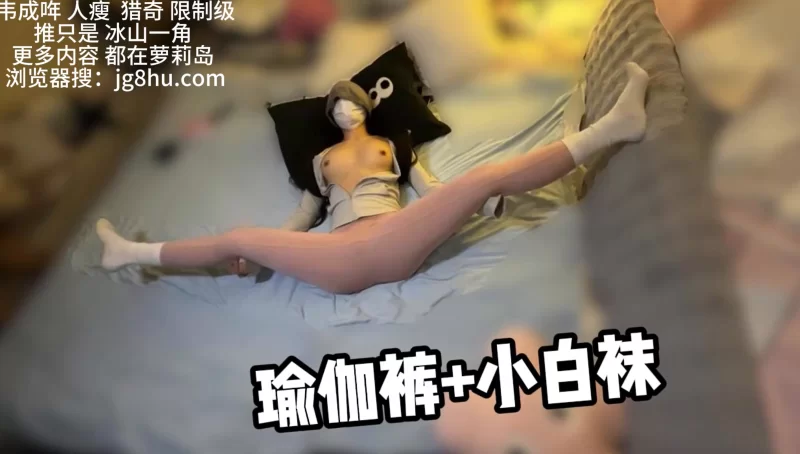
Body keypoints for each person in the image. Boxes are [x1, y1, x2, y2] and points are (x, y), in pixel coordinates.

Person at [95, 62, 649, 295]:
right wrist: (270, 254)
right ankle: (129, 253)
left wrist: (472, 203)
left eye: (351, 101)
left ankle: (611, 127)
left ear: (365, 106)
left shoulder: (393, 145)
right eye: (336, 104)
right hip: (336, 255)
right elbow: (302, 217)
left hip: (394, 238)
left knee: (481, 177)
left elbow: (429, 191)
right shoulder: (320, 161)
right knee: (240, 237)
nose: (344, 108)